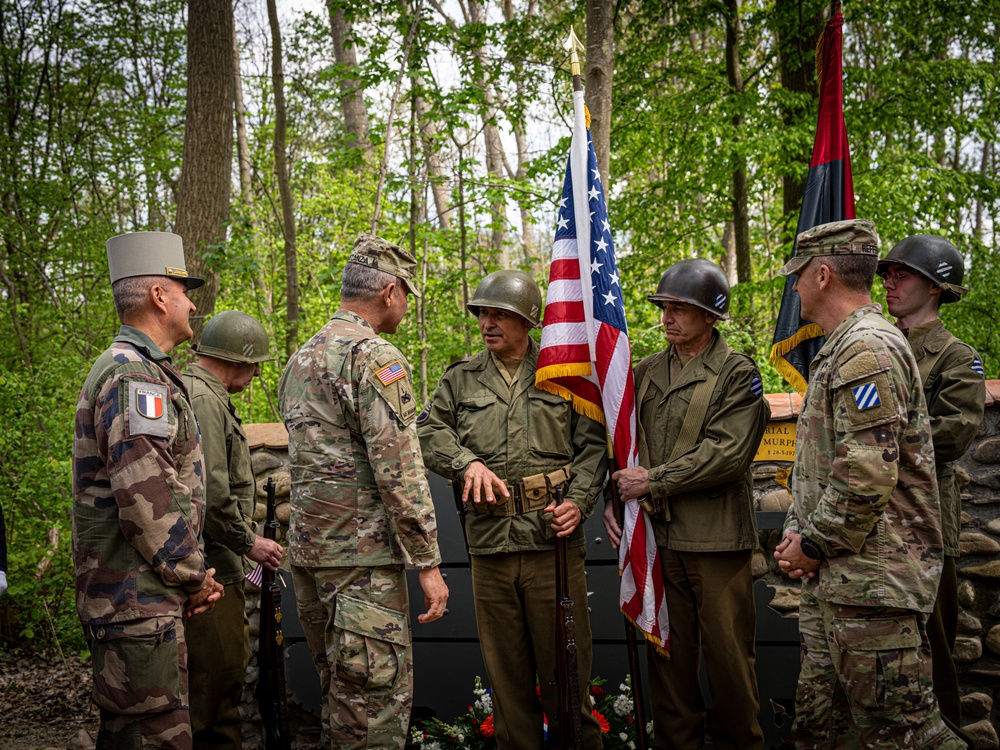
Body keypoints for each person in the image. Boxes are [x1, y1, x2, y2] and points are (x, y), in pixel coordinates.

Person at [774, 219, 964, 749]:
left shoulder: (867, 350)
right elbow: (817, 465)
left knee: (905, 733)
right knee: (820, 729)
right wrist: (799, 535)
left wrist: (812, 543)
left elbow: (865, 474)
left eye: (799, 275)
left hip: (872, 585)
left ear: (824, 274)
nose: (794, 287)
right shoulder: (843, 346)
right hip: (837, 583)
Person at [418, 270, 608, 750]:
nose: (487, 322)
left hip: (552, 545)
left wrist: (580, 502)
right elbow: (428, 434)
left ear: (527, 321)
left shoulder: (561, 375)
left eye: (500, 314)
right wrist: (466, 463)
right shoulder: (460, 379)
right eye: (483, 313)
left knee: (567, 679)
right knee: (507, 686)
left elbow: (592, 447)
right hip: (490, 546)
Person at [278, 235, 448, 749]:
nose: (404, 308)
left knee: (340, 704)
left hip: (310, 560)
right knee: (373, 713)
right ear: (390, 292)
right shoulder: (373, 356)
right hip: (362, 566)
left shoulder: (302, 357)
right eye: (406, 297)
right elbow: (398, 469)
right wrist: (428, 562)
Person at [603, 259, 770, 750]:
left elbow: (727, 455)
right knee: (669, 664)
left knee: (729, 665)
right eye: (664, 307)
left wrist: (653, 481)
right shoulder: (647, 371)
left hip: (716, 542)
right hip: (659, 541)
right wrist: (612, 498)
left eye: (681, 308)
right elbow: (617, 441)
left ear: (711, 315)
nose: (668, 317)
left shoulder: (738, 373)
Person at [72, 231, 223, 749]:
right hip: (136, 602)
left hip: (140, 600)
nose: (192, 302)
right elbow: (148, 496)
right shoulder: (132, 376)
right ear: (161, 296)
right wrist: (194, 576)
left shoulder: (135, 370)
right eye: (184, 290)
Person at [880, 234, 985, 745]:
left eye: (903, 274)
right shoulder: (875, 348)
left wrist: (873, 444)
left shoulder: (955, 358)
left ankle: (943, 735)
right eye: (887, 274)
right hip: (868, 519)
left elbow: (954, 433)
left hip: (921, 520)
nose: (889, 282)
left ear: (937, 286)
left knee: (930, 642)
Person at [182, 310, 284, 750]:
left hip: (209, 561)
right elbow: (212, 490)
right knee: (219, 682)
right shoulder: (204, 399)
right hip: (213, 565)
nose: (257, 371)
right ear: (236, 358)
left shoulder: (204, 394)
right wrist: (250, 542)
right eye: (255, 361)